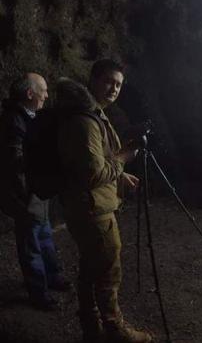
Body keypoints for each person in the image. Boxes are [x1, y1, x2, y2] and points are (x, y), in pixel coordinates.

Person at [57, 60, 151, 343]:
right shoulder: (86, 121)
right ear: (93, 79)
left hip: (86, 203)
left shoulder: (93, 114)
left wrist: (119, 178)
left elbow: (88, 165)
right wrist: (124, 159)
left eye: (119, 84)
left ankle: (91, 326)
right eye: (109, 81)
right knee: (108, 270)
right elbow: (95, 172)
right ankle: (114, 329)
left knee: (91, 266)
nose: (114, 88)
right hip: (92, 209)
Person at [0, 72, 70, 310]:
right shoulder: (14, 121)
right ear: (30, 93)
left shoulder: (30, 117)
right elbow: (15, 164)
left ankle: (52, 276)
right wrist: (26, 196)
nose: (47, 95)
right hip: (27, 194)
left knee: (44, 234)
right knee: (31, 244)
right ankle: (38, 292)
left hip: (37, 191)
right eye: (43, 90)